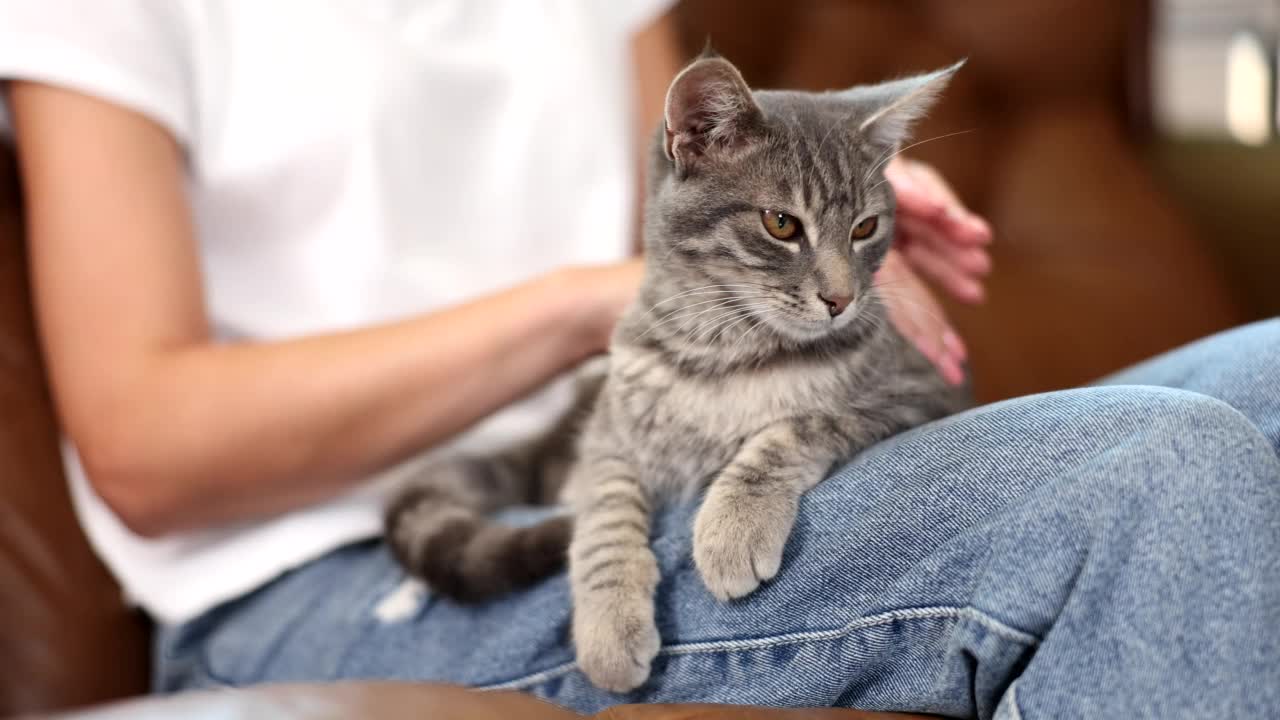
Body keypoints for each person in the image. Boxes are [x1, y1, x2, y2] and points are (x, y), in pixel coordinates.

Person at [1, 2, 1275, 718]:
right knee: (1154, 476)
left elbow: (693, 194)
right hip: (317, 580)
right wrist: (574, 303)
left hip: (646, 468)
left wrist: (820, 196)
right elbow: (144, 446)